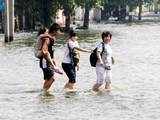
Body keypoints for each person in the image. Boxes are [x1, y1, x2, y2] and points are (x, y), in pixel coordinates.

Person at [37, 23, 63, 92]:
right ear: (54, 31)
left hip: (46, 62)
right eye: (59, 31)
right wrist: (52, 65)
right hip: (45, 62)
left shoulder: (50, 38)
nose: (59, 33)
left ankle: (44, 94)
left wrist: (53, 63)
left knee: (48, 79)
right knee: (52, 79)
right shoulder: (47, 39)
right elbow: (44, 51)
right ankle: (44, 92)